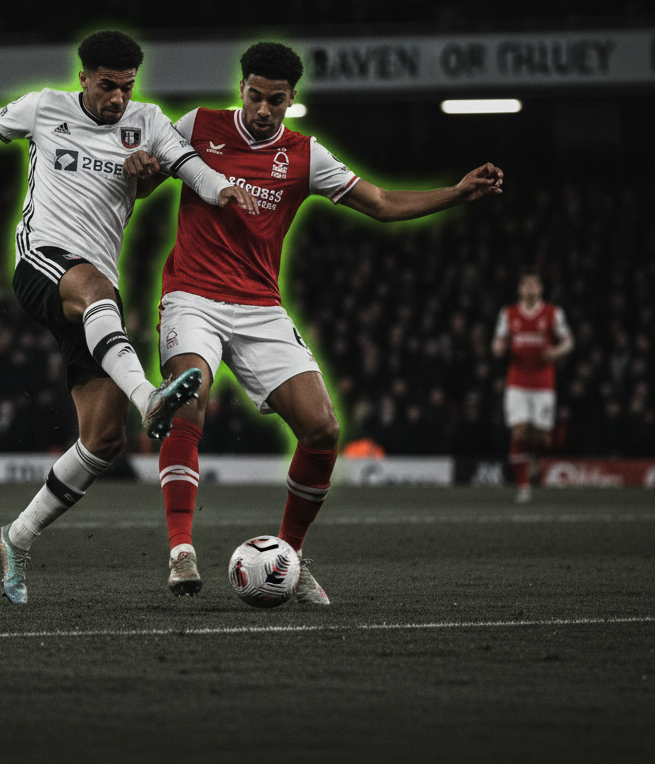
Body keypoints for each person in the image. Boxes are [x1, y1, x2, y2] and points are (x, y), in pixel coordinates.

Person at [0, 30, 258, 604]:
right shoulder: (45, 107)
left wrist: (222, 191)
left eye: (126, 86)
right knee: (100, 295)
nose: (118, 98)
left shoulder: (146, 121)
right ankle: (151, 397)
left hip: (93, 294)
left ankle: (14, 537)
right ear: (83, 78)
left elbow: (188, 164)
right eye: (107, 86)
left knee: (103, 440)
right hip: (42, 262)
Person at [125, 41, 504, 601]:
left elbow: (379, 202)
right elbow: (148, 180)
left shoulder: (304, 155)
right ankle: (182, 551)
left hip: (260, 307)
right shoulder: (197, 125)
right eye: (255, 96)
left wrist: (457, 192)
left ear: (291, 100)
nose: (262, 111)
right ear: (242, 88)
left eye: (275, 102)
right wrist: (141, 166)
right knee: (189, 398)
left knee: (324, 431)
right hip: (192, 296)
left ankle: (291, 558)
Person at [491, 271, 573, 502]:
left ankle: (534, 459)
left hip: (544, 382)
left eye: (533, 284)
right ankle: (524, 487)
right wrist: (497, 346)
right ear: (519, 289)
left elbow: (568, 340)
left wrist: (556, 352)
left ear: (540, 289)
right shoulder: (508, 313)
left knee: (542, 438)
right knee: (519, 431)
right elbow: (499, 338)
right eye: (525, 284)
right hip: (517, 381)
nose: (529, 288)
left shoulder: (552, 313)